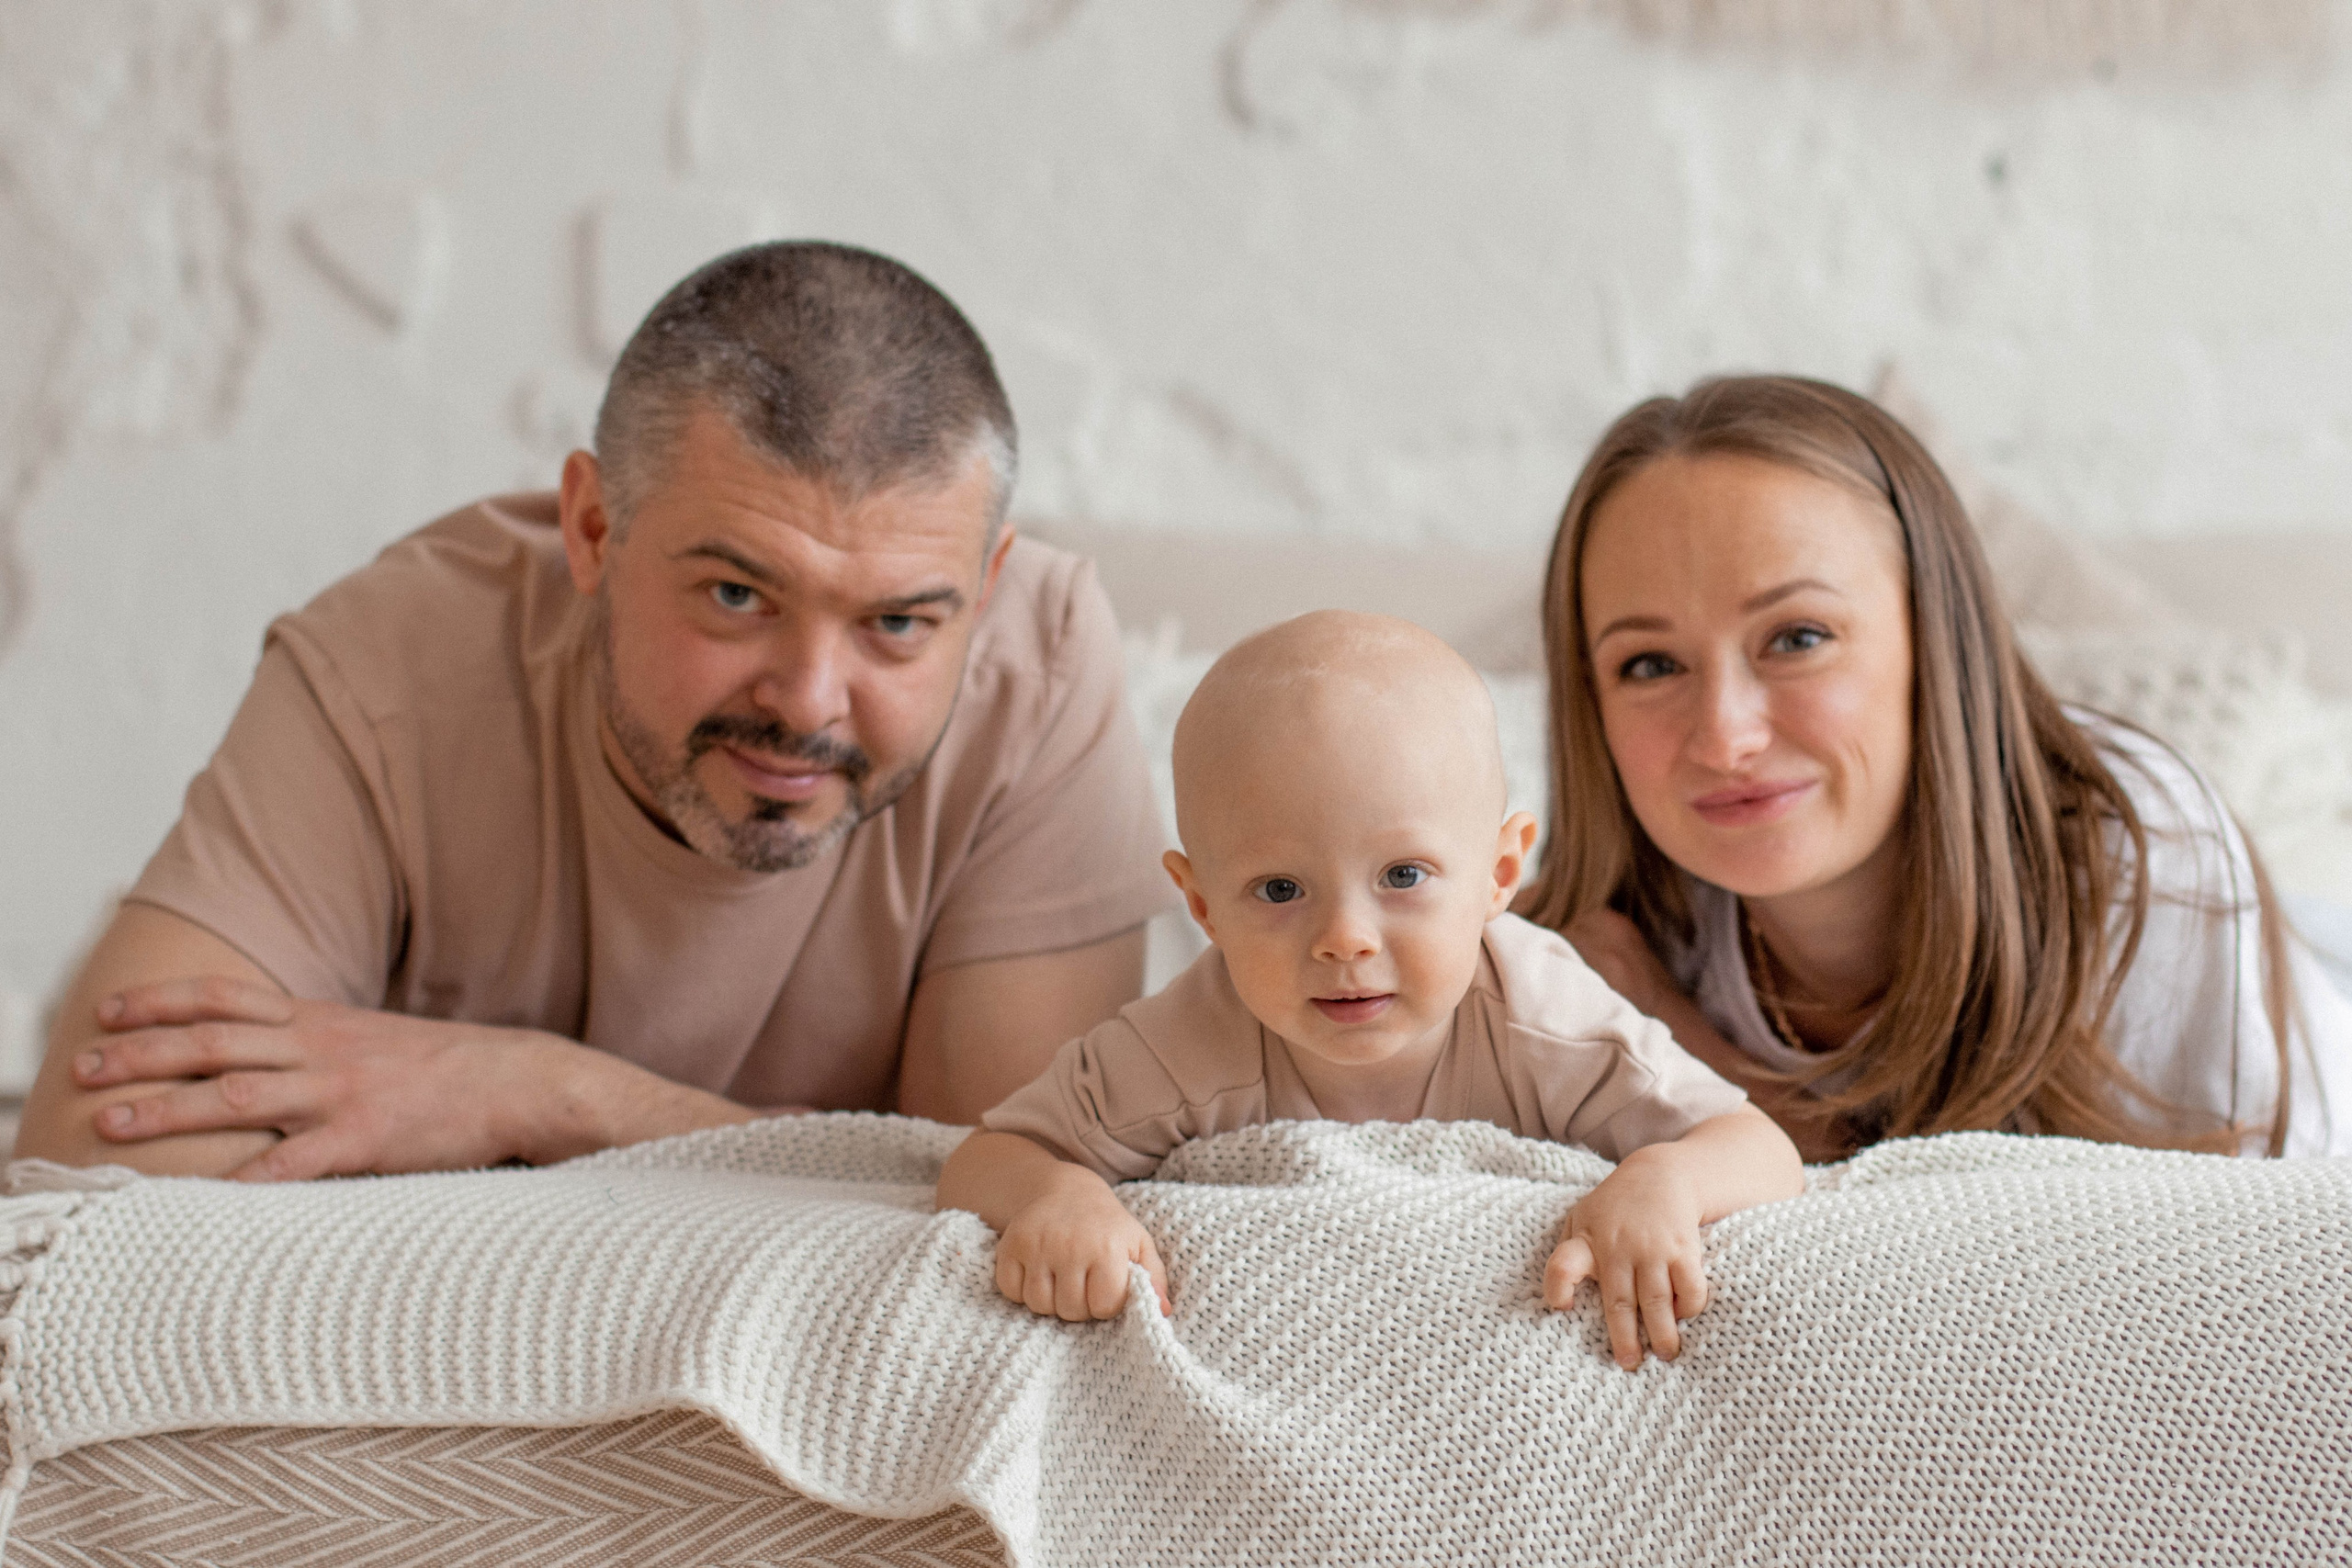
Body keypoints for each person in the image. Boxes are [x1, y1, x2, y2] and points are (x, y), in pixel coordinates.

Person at [17, 242, 1177, 1180]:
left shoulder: (1042, 663)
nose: (810, 703)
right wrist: (771, 1161)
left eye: (899, 626)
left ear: (984, 585)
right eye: (736, 595)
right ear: (593, 530)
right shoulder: (396, 657)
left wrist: (545, 1095)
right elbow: (84, 1169)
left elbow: (1006, 1211)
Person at [1519, 374, 2352, 1162]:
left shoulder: (2135, 859)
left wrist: (1684, 1045)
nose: (1725, 737)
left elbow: (2234, 1262)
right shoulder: (1603, 948)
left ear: (1938, 645)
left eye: (1798, 637)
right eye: (1650, 666)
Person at [936, 612, 1804, 1368]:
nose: (1345, 937)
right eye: (1279, 890)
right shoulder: (1183, 1045)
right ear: (1202, 905)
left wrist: (1667, 1183)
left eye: (1402, 874)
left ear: (1500, 872)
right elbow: (985, 1160)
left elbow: (1758, 1146)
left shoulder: (1544, 1015)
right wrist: (1058, 1199)